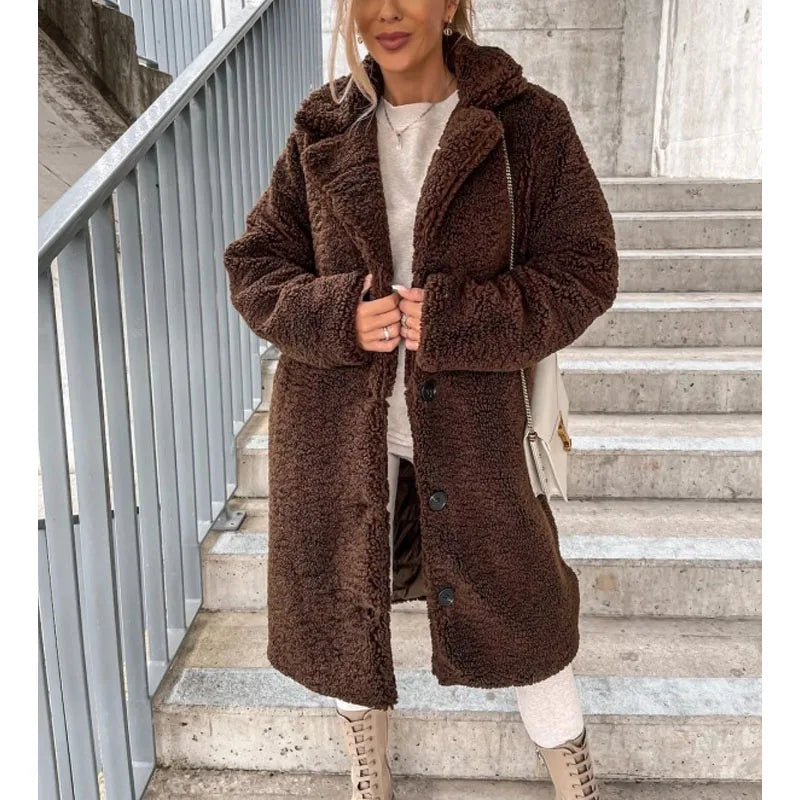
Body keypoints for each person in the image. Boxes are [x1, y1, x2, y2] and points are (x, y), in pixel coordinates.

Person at [223, 2, 618, 798]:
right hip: (339, 429)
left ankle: (573, 776)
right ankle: (368, 775)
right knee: (345, 614)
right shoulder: (322, 125)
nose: (388, 10)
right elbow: (256, 264)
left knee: (530, 613)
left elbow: (585, 269)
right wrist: (338, 314)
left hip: (476, 433)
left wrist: (455, 319)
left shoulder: (528, 124)